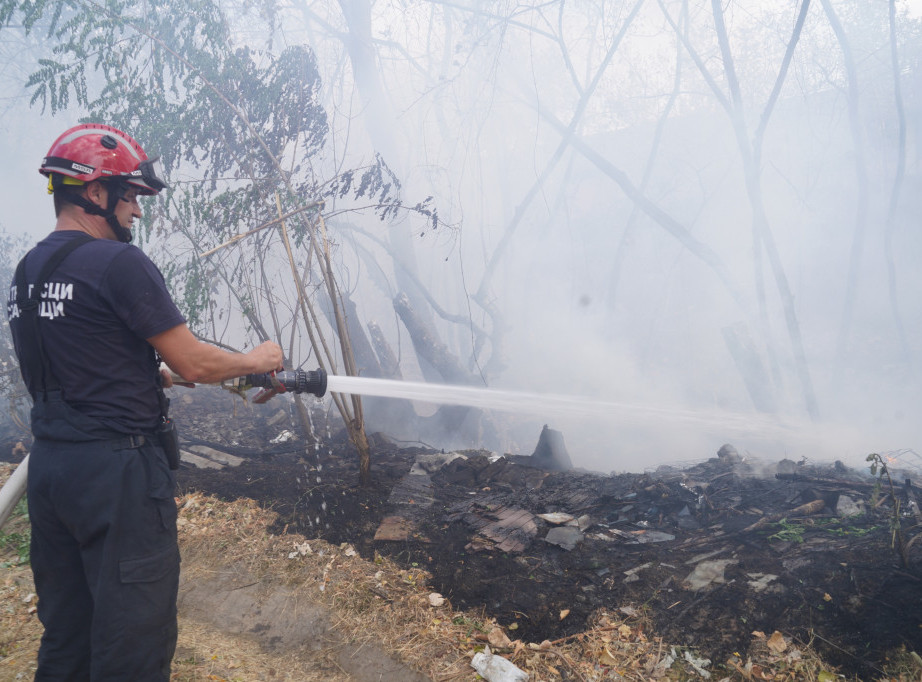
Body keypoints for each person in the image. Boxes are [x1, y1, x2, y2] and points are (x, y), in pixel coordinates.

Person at [6, 123, 284, 681]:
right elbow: (196, 362)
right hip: (119, 478)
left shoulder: (29, 272)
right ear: (94, 192)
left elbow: (77, 362)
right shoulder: (117, 264)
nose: (137, 210)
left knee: (68, 638)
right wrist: (258, 359)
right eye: (130, 195)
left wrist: (147, 375)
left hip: (53, 473)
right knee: (132, 641)